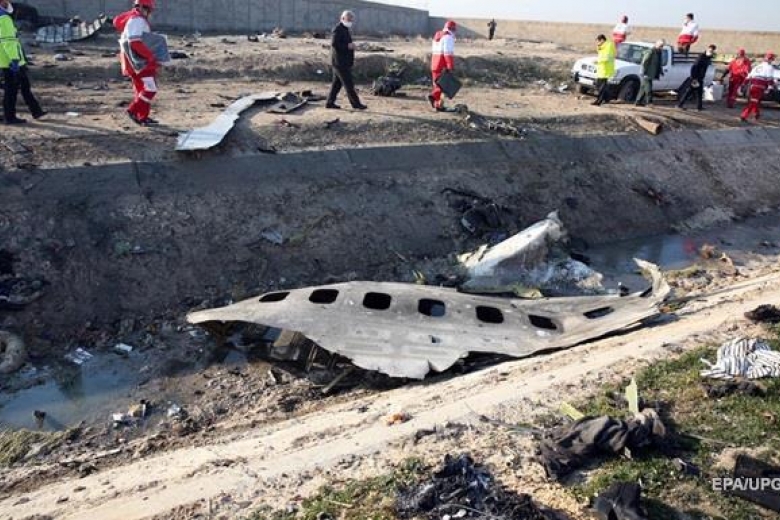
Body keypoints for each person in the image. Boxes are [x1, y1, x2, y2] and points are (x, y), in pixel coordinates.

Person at [114, 0, 160, 125]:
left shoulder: (135, 19)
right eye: (146, 8)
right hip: (139, 60)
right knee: (150, 89)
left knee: (141, 89)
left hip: (134, 59)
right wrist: (150, 56)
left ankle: (142, 117)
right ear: (139, 7)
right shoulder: (137, 20)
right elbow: (135, 42)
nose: (148, 11)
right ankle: (133, 110)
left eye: (148, 8)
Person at [0, 0, 45, 124]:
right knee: (12, 89)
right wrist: (14, 59)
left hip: (6, 60)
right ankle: (10, 116)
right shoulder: (4, 19)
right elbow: (9, 42)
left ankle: (35, 111)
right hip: (10, 61)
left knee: (20, 86)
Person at [325, 10, 367, 110]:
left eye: (351, 20)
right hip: (340, 62)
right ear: (342, 18)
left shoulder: (345, 29)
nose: (350, 22)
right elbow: (334, 44)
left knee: (336, 85)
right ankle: (356, 104)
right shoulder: (338, 29)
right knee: (349, 84)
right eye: (349, 19)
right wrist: (348, 46)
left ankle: (329, 103)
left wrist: (351, 46)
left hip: (342, 62)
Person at [428, 20, 456, 112]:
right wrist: (450, 66)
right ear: (452, 29)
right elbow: (447, 53)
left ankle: (438, 105)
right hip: (442, 65)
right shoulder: (448, 37)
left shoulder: (437, 36)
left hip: (434, 63)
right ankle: (433, 97)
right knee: (442, 86)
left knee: (437, 85)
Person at [677, 44, 716, 111]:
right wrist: (694, 78)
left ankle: (699, 107)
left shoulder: (708, 58)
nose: (711, 52)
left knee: (698, 93)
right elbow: (694, 67)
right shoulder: (701, 57)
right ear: (707, 49)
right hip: (696, 78)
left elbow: (713, 57)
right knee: (689, 92)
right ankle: (680, 105)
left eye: (712, 51)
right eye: (710, 51)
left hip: (700, 78)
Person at [741, 53, 776, 122]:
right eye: (771, 59)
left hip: (752, 87)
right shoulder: (769, 67)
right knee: (753, 102)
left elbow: (748, 77)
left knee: (756, 101)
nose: (771, 61)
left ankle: (757, 114)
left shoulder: (757, 66)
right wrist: (770, 87)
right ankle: (744, 116)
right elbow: (770, 79)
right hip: (760, 88)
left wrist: (744, 84)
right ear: (770, 60)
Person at [635, 40, 664, 106]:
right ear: (656, 44)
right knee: (648, 88)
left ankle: (638, 101)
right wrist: (642, 71)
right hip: (647, 73)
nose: (661, 47)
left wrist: (661, 71)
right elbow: (644, 61)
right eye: (660, 46)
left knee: (643, 88)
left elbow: (659, 63)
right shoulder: (650, 51)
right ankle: (649, 102)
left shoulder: (659, 53)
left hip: (651, 73)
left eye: (662, 46)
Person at [592, 34, 616, 106]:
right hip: (602, 69)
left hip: (606, 69)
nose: (597, 43)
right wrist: (599, 46)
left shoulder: (609, 45)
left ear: (602, 40)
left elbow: (607, 58)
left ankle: (598, 101)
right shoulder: (604, 46)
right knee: (600, 86)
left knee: (601, 87)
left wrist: (597, 61)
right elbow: (600, 52)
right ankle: (607, 99)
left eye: (598, 41)